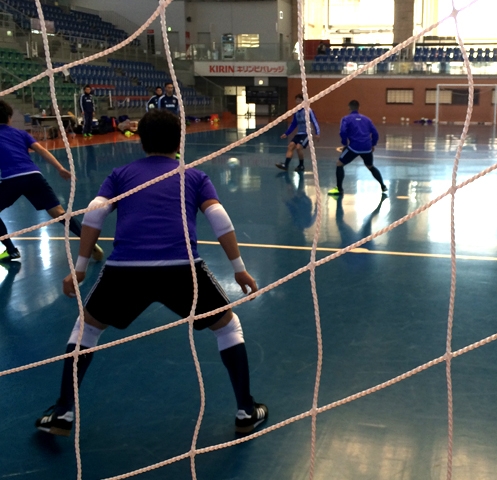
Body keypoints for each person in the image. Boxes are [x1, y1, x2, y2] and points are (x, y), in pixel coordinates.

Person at [35, 109, 267, 437]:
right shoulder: (194, 176)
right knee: (228, 327)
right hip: (182, 270)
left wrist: (80, 269)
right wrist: (239, 270)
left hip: (125, 271)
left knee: (86, 330)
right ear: (179, 141)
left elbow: (94, 214)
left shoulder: (120, 174)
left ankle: (62, 411)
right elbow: (220, 220)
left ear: (140, 140)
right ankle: (246, 410)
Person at [0, 100, 103, 262]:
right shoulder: (21, 133)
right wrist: (60, 168)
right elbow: (41, 150)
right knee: (59, 213)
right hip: (34, 176)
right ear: (9, 117)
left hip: (11, 180)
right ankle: (88, 241)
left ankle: (11, 250)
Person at [328, 100, 387, 196]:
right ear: (359, 108)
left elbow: (342, 132)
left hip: (354, 147)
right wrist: (373, 144)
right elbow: (375, 133)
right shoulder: (367, 119)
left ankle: (339, 189)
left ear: (349, 108)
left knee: (339, 164)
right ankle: (383, 185)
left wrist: (344, 143)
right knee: (370, 166)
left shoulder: (346, 119)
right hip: (367, 148)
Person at [275, 94, 320, 173]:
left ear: (303, 101)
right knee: (290, 146)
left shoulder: (308, 111)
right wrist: (286, 133)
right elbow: (293, 124)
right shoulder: (296, 112)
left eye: (299, 100)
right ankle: (285, 165)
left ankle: (301, 165)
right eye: (296, 100)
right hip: (299, 133)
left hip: (307, 134)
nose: (297, 102)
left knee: (299, 147)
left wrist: (317, 133)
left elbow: (314, 121)